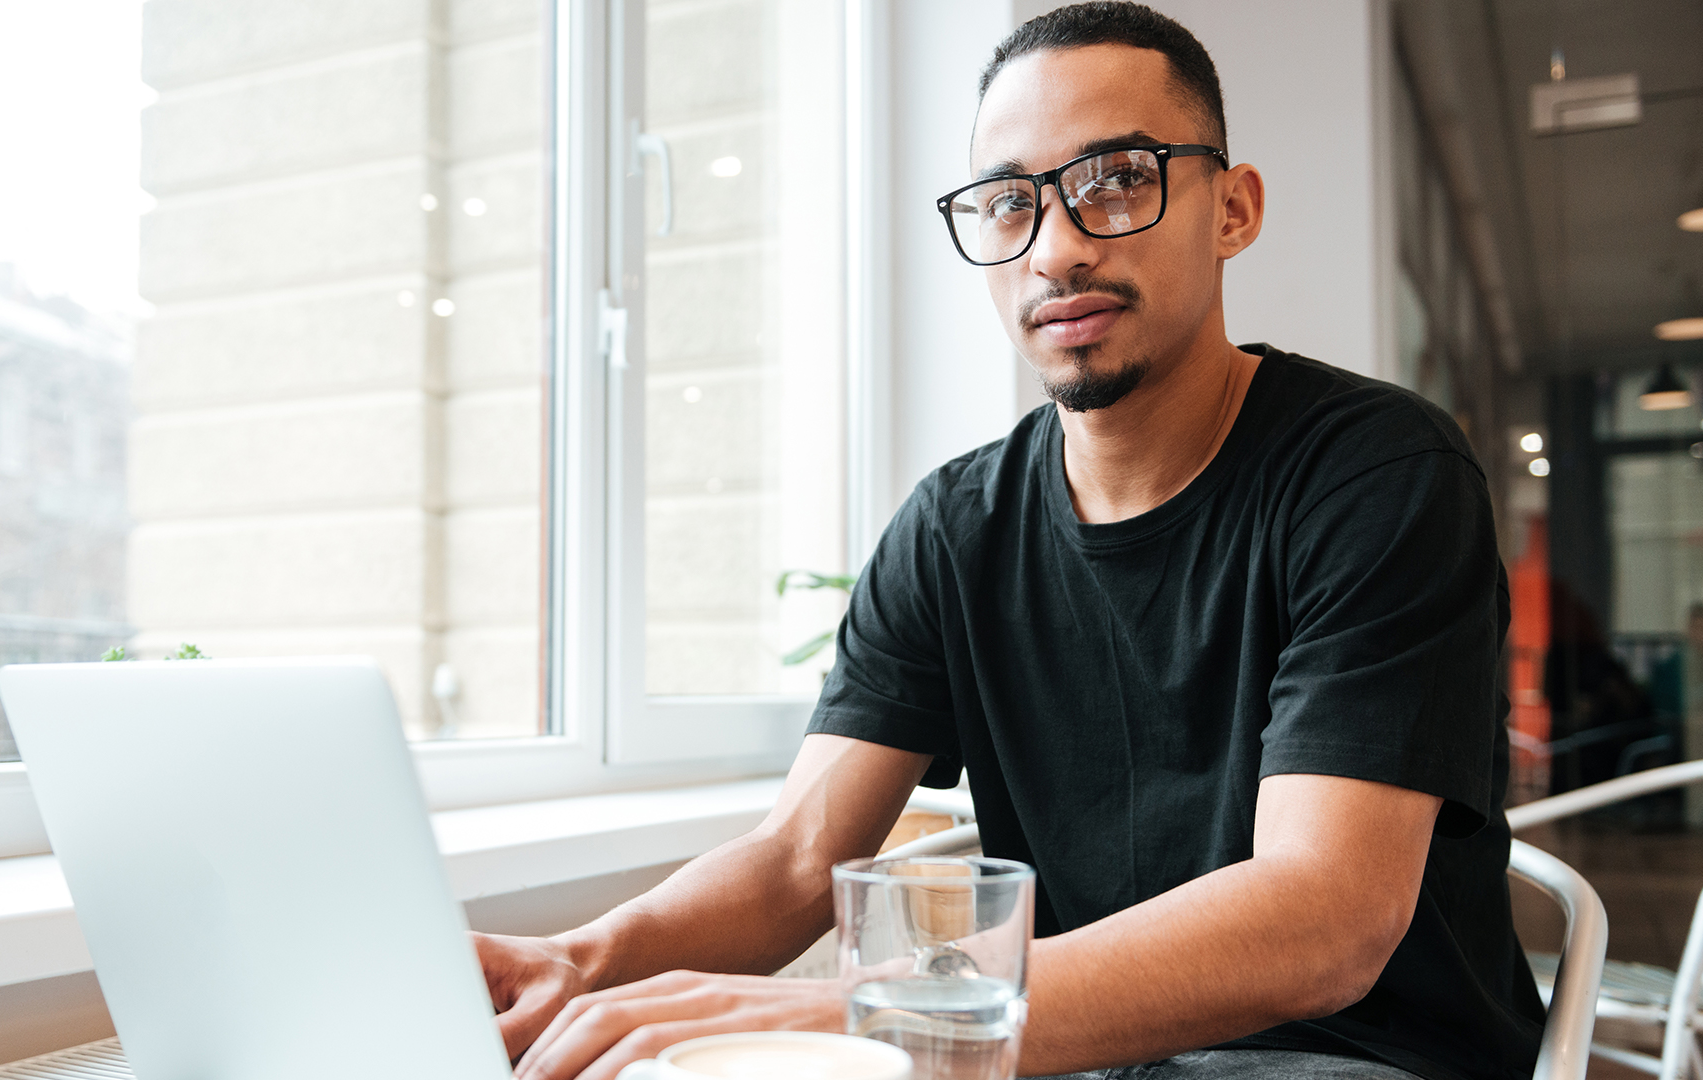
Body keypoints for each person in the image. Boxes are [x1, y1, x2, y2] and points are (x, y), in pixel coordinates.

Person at [472, 4, 1546, 1078]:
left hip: (1359, 1056)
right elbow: (801, 858)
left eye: (1119, 180)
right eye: (1008, 202)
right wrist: (577, 957)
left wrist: (860, 1016)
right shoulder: (953, 529)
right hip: (1090, 1050)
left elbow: (1324, 924)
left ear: (1233, 208)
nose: (1059, 248)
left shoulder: (1376, 474)